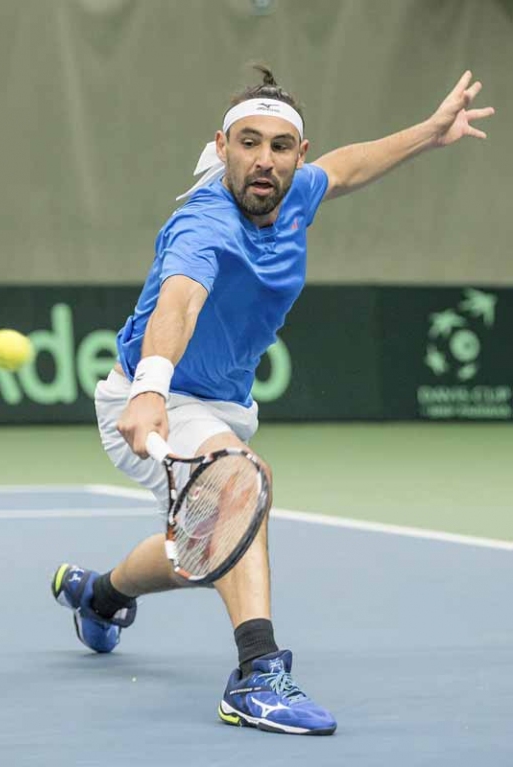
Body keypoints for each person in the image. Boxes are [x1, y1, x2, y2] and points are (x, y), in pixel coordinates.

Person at [52, 65, 494, 736]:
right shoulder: (203, 223)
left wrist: (429, 134)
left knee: (202, 554)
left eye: (280, 146)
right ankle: (256, 674)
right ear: (222, 145)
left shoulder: (294, 194)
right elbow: (179, 301)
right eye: (249, 142)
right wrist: (150, 387)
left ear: (298, 155)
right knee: (239, 484)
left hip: (224, 403)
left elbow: (346, 168)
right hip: (154, 400)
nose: (264, 159)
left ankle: (100, 595)